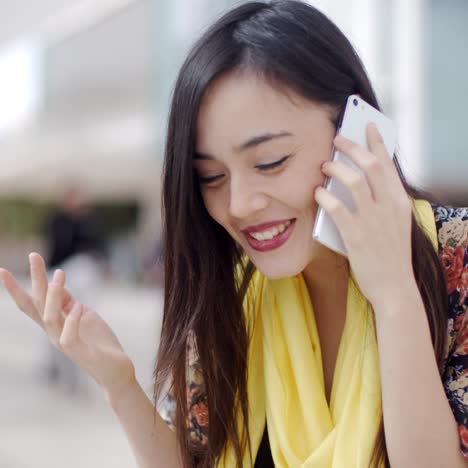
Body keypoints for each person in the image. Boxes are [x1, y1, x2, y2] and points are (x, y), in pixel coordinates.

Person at [0, 1, 467, 467]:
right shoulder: (236, 293)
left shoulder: (456, 257)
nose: (240, 205)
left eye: (270, 162)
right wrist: (118, 384)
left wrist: (394, 296)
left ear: (359, 131)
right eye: (211, 178)